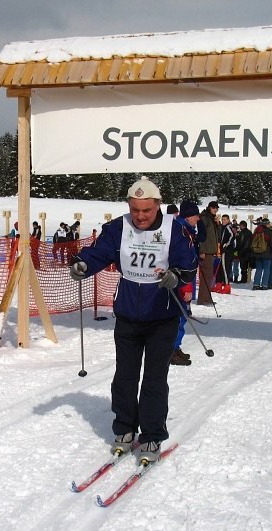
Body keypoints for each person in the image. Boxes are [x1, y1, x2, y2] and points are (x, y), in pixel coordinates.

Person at [69, 177, 198, 464]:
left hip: (162, 315)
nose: (140, 216)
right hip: (128, 314)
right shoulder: (119, 227)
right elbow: (99, 253)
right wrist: (82, 264)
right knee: (125, 375)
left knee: (154, 378)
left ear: (158, 206)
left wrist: (175, 275)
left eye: (146, 210)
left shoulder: (173, 229)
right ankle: (125, 429)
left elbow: (188, 262)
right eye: (135, 209)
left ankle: (152, 434)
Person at [170, 201, 201, 366]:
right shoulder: (181, 232)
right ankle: (171, 350)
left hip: (182, 279)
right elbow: (182, 263)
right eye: (196, 215)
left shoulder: (186, 230)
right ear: (188, 216)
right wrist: (186, 286)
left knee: (181, 315)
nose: (198, 218)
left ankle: (175, 347)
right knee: (179, 316)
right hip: (181, 281)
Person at [197, 200, 221, 305]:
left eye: (217, 208)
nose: (215, 210)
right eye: (214, 208)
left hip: (210, 250)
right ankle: (203, 298)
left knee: (208, 276)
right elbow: (201, 235)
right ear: (209, 208)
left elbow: (217, 235)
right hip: (206, 250)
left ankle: (206, 297)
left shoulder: (211, 219)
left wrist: (218, 224)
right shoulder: (205, 218)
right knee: (206, 275)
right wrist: (202, 250)